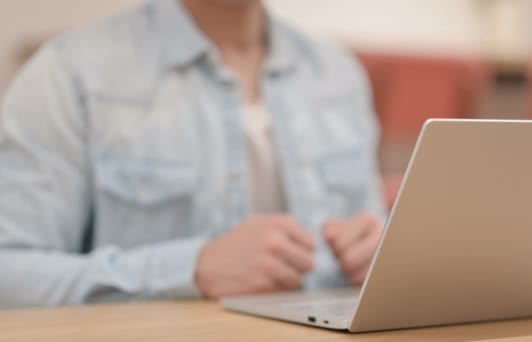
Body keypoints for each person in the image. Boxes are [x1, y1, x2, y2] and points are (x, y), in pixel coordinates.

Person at [0, 0, 386, 308]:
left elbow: (374, 238)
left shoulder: (339, 75)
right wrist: (191, 271)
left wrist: (379, 257)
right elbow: (10, 271)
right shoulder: (69, 73)